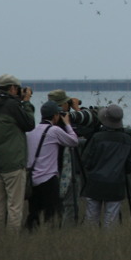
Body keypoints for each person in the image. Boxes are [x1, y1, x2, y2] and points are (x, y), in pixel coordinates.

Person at [0, 74, 36, 232]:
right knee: (14, 206)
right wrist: (26, 102)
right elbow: (29, 124)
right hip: (13, 163)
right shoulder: (13, 106)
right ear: (13, 88)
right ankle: (12, 242)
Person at [80, 104, 131, 228]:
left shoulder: (96, 137)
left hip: (95, 182)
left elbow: (86, 161)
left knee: (91, 219)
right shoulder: (126, 140)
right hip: (116, 184)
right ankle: (109, 244)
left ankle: (88, 243)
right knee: (111, 220)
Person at [25, 100, 79, 231]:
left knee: (35, 212)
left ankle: (31, 235)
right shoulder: (54, 130)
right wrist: (67, 124)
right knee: (52, 214)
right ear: (55, 116)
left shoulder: (31, 131)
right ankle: (50, 237)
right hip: (48, 179)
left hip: (32, 179)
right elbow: (73, 141)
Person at [47, 88, 88, 226]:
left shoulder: (48, 122)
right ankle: (67, 230)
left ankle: (54, 228)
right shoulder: (65, 124)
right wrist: (77, 109)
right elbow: (85, 129)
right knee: (70, 205)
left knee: (54, 205)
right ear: (63, 105)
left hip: (50, 169)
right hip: (68, 171)